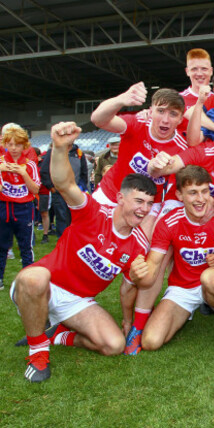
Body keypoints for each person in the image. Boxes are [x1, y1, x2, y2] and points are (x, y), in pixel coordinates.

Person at [11, 121, 156, 383]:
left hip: (77, 301)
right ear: (121, 198)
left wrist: (127, 321)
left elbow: (128, 287)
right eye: (138, 201)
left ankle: (56, 335)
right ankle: (38, 352)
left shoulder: (137, 244)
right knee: (33, 278)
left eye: (149, 204)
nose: (144, 209)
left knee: (113, 345)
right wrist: (59, 147)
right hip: (47, 286)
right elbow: (65, 183)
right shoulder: (92, 212)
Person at [125, 165, 214, 354]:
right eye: (192, 193)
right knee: (151, 341)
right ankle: (140, 326)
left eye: (204, 191)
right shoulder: (169, 222)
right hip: (183, 287)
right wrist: (138, 275)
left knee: (211, 277)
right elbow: (155, 264)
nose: (200, 199)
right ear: (179, 195)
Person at [90, 83, 189, 235]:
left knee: (138, 253)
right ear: (151, 111)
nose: (165, 120)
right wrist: (121, 99)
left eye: (173, 114)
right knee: (86, 239)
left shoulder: (182, 147)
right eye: (160, 111)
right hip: (110, 194)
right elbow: (98, 119)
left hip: (146, 208)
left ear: (181, 119)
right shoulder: (138, 123)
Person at [0, 127, 40, 291]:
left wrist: (24, 174)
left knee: (26, 247)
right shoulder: (1, 161)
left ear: (25, 146)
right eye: (11, 144)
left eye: (18, 144)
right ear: (5, 144)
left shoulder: (29, 164)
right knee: (1, 246)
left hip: (24, 208)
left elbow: (36, 190)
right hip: (4, 208)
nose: (14, 148)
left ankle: (27, 279)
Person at [40, 136, 87, 237]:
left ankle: (75, 240)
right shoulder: (53, 152)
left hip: (75, 192)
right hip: (59, 192)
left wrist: (81, 188)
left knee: (75, 217)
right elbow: (44, 171)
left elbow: (84, 173)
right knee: (62, 217)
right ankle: (63, 241)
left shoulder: (79, 153)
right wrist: (51, 187)